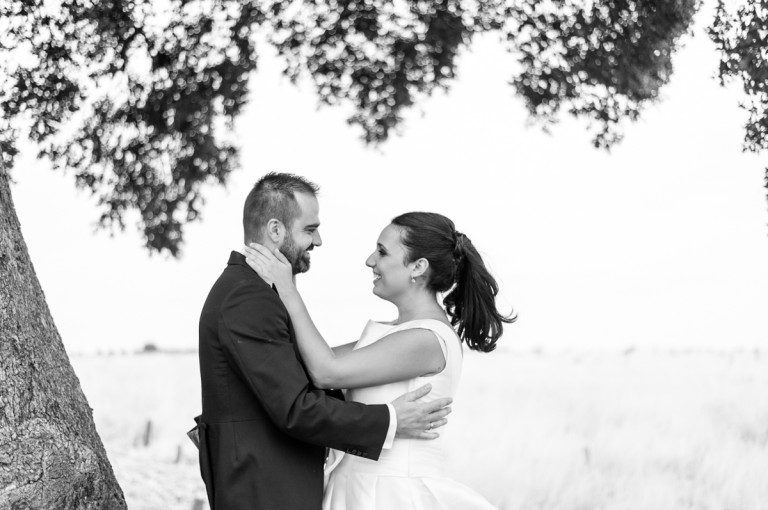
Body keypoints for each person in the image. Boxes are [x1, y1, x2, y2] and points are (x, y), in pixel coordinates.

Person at [196, 173, 452, 510]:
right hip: (264, 489)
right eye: (310, 229)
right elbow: (297, 407)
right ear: (276, 231)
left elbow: (312, 371)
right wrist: (389, 420)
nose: (318, 241)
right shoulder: (248, 297)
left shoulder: (255, 293)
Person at [244, 210, 515, 509]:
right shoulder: (392, 335)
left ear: (418, 267)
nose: (370, 260)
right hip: (353, 489)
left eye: (382, 252)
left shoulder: (427, 339)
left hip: (391, 495)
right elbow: (307, 363)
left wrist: (287, 288)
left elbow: (326, 372)